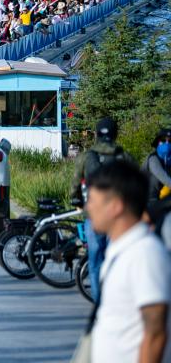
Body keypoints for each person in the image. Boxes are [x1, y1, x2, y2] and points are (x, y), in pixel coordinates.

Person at [87, 159, 170, 363]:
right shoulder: (123, 249)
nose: (88, 208)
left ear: (115, 206)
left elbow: (156, 334)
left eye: (92, 200)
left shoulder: (145, 254)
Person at [71, 117, 134, 302]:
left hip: (95, 216)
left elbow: (74, 187)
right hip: (118, 218)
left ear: (97, 134)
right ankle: (117, 299)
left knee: (96, 260)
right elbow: (136, 186)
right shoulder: (124, 157)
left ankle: (100, 303)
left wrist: (79, 202)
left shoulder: (86, 157)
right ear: (115, 134)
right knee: (117, 258)